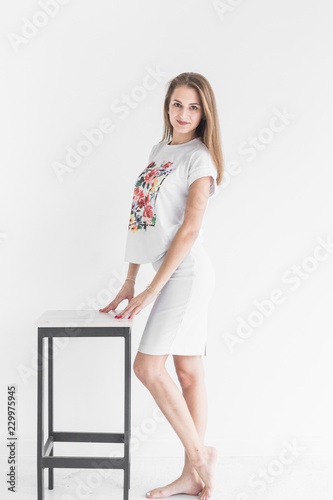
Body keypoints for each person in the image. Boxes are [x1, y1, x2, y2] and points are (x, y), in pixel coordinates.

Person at [99, 72, 223, 500]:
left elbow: (189, 231)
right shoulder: (159, 151)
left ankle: (199, 459)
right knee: (187, 373)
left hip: (185, 275)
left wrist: (153, 289)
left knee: (147, 368)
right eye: (177, 104)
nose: (184, 113)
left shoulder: (200, 159)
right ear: (167, 106)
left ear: (204, 112)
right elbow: (140, 220)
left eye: (193, 106)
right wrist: (131, 280)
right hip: (164, 273)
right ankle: (194, 470)